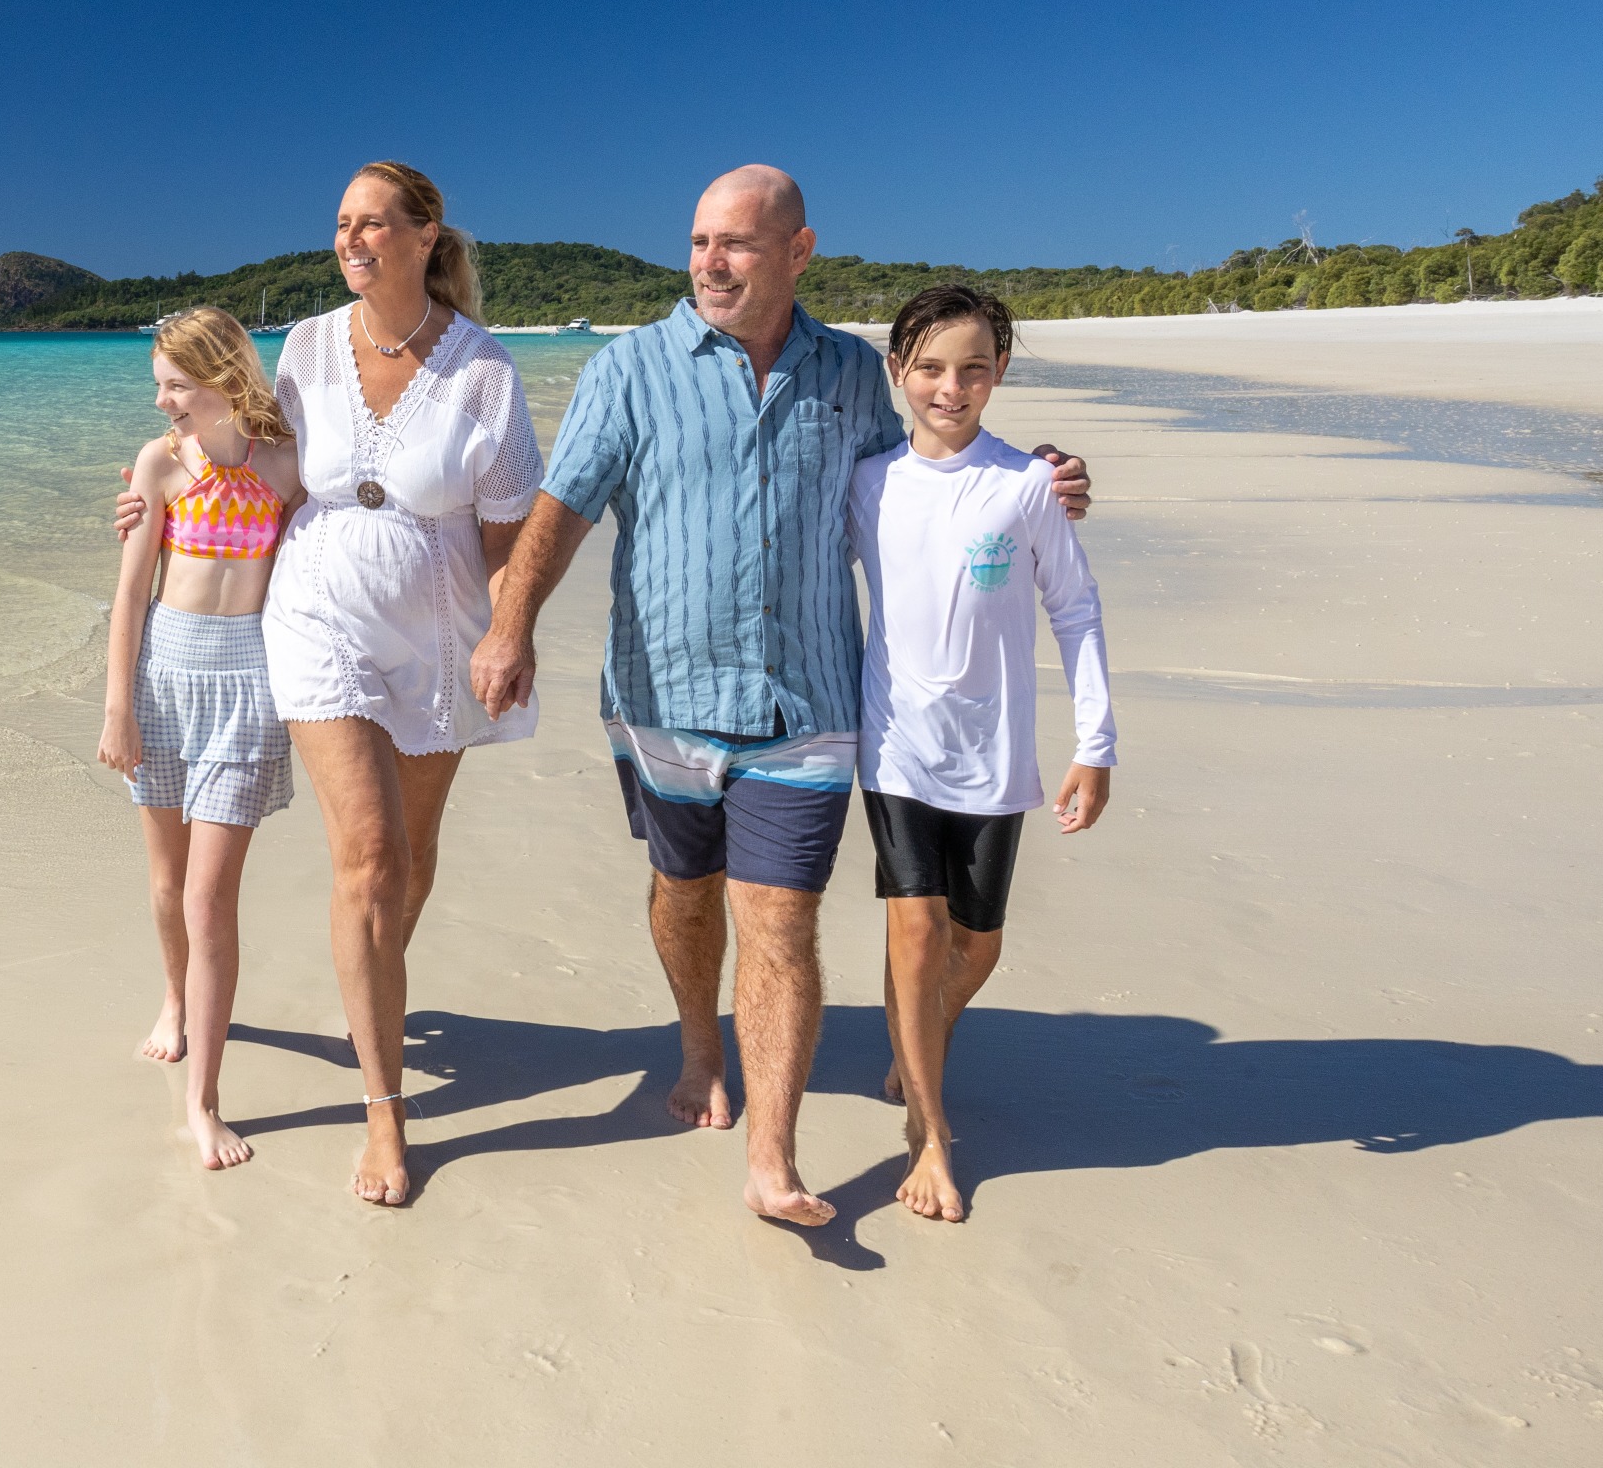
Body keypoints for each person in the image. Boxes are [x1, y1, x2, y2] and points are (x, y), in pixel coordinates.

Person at [469, 165, 1092, 1228]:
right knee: (686, 891)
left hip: (806, 698)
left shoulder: (853, 375)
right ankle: (700, 1042)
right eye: (701, 240)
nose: (712, 261)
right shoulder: (630, 368)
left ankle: (772, 1155)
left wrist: (1036, 474)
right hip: (662, 691)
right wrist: (510, 619)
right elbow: (562, 505)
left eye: (738, 244)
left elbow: (935, 465)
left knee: (781, 920)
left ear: (798, 252)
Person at [121, 162, 543, 1206]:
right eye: (341, 225)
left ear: (424, 232)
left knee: (408, 859)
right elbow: (230, 438)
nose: (353, 240)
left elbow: (506, 532)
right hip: (311, 614)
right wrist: (151, 497)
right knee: (366, 856)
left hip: (437, 630)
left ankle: (369, 984)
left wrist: (512, 627)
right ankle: (385, 1111)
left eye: (372, 224)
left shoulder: (485, 371)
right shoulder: (307, 344)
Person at [853, 284, 1115, 1223]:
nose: (949, 387)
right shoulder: (867, 480)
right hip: (895, 747)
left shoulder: (1027, 485)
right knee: (915, 935)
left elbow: (1075, 613)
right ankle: (931, 1132)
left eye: (971, 369)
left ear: (999, 374)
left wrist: (1097, 745)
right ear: (896, 373)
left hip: (996, 756)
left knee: (978, 944)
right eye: (928, 367)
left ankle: (911, 1035)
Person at [97, 306, 305, 1170]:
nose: (163, 404)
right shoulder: (159, 466)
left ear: (224, 380)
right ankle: (176, 998)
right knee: (167, 879)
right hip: (165, 678)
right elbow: (130, 594)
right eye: (159, 387)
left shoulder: (289, 461)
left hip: (248, 683)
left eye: (175, 387)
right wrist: (118, 705)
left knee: (208, 898)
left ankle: (202, 1102)